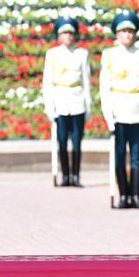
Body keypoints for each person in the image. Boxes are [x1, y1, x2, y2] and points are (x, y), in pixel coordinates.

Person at [100, 9, 139, 209]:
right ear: (117, 34)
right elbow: (104, 87)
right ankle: (123, 195)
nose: (127, 35)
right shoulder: (109, 55)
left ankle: (136, 195)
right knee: (119, 156)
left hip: (137, 109)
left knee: (136, 158)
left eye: (130, 31)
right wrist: (108, 115)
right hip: (119, 111)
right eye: (123, 31)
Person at [42, 16, 92, 187]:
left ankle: (76, 176)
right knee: (62, 142)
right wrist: (49, 106)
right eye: (64, 33)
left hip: (77, 101)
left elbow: (86, 82)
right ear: (59, 36)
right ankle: (65, 175)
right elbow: (48, 82)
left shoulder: (82, 54)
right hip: (60, 101)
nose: (68, 36)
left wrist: (88, 105)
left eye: (71, 33)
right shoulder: (53, 54)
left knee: (77, 142)